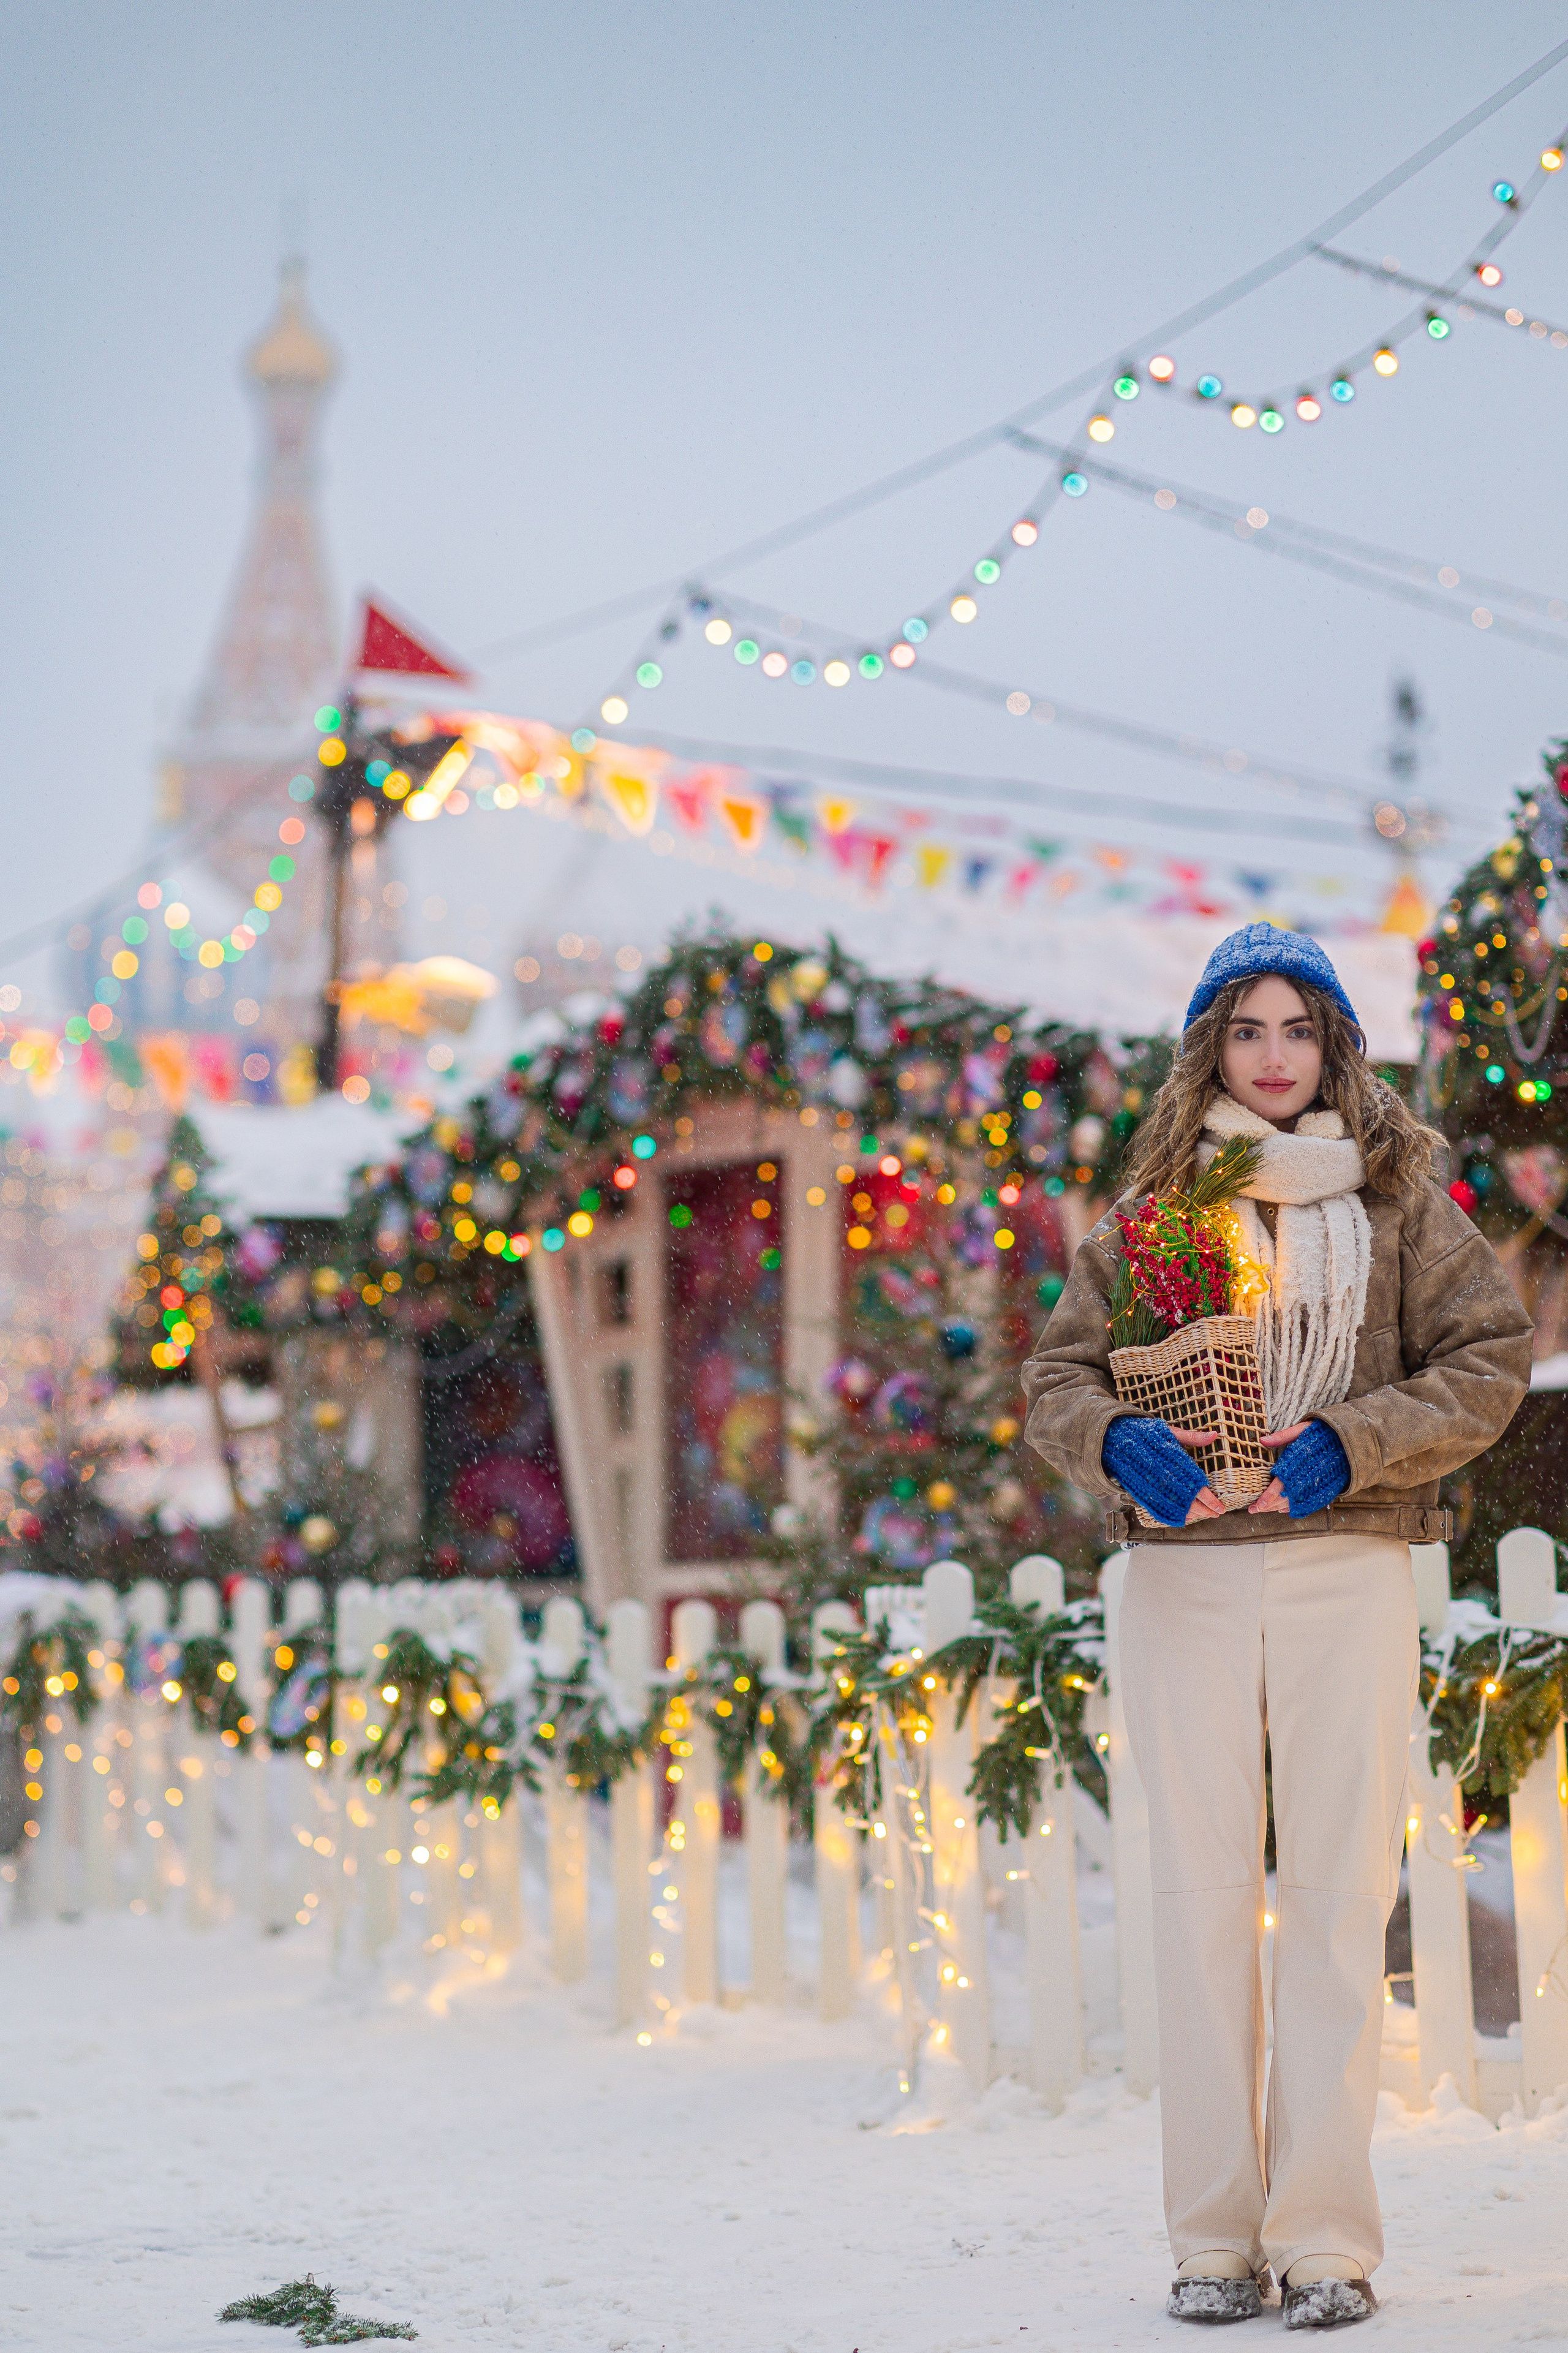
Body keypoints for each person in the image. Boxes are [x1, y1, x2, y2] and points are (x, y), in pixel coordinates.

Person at [1022, 924, 1531, 2331]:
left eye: (1294, 1028)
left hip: (1345, 1563)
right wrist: (1119, 1442)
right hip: (1184, 1577)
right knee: (1191, 1904)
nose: (1269, 1054)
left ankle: (1320, 2239)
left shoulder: (1396, 1208)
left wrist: (1350, 1441)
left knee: (1329, 1902)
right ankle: (1207, 2238)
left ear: (1332, 1049)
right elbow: (1055, 1378)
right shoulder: (1149, 1218)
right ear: (1208, 1050)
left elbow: (1485, 1359)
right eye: (1243, 1029)